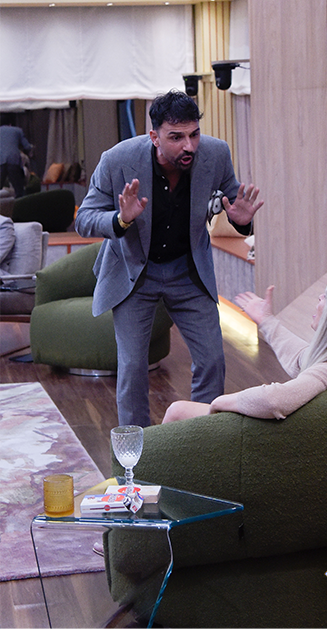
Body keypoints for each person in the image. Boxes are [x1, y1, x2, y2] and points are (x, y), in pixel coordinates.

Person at [75, 89, 263, 427]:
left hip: (187, 271)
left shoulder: (216, 153)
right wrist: (121, 219)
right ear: (154, 137)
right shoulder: (117, 159)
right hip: (136, 273)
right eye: (176, 137)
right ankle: (138, 449)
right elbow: (84, 219)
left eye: (194, 134)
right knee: (132, 367)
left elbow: (234, 203)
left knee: (212, 360)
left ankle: (200, 437)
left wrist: (242, 221)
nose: (189, 145)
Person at [162, 274, 327, 423]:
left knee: (177, 411)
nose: (319, 298)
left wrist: (219, 402)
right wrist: (266, 321)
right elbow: (300, 356)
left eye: (326, 297)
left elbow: (273, 400)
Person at [0, 114, 33, 198]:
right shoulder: (18, 130)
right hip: (13, 160)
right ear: (10, 123)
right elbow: (27, 146)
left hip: (1, 161)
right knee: (19, 189)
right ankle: (21, 204)